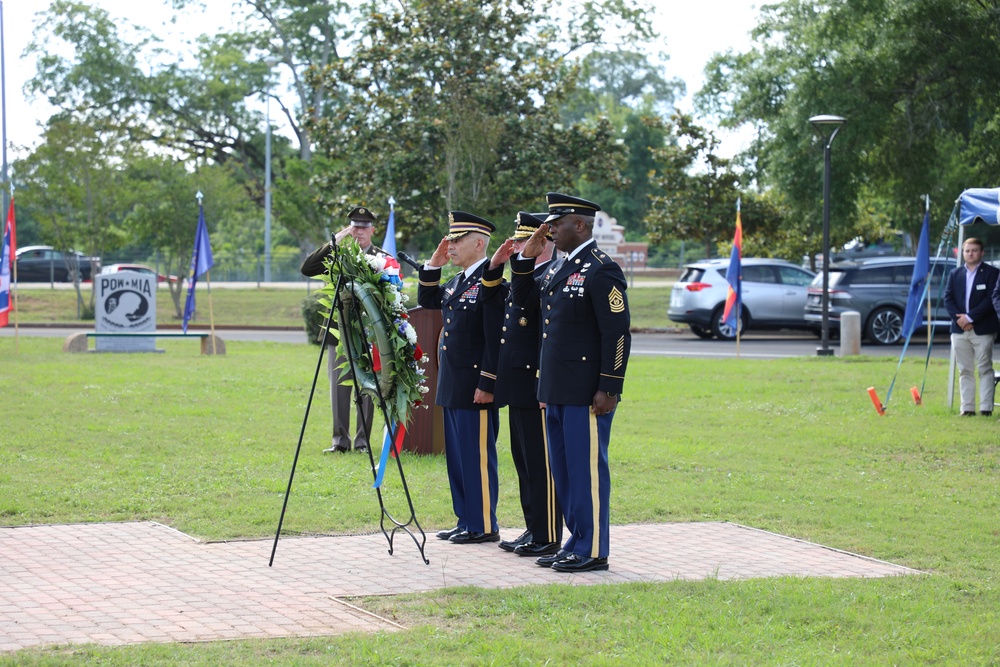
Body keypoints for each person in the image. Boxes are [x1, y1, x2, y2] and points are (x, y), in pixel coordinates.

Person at [509, 192, 631, 573]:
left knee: (586, 471)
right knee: (564, 472)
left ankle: (592, 549)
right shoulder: (558, 268)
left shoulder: (601, 269)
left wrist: (609, 386)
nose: (549, 231)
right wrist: (526, 258)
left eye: (556, 224)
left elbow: (618, 333)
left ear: (579, 225)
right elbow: (522, 301)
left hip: (586, 393)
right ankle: (574, 542)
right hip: (557, 389)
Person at [417, 211, 504, 544]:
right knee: (457, 457)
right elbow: (427, 300)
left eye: (456, 241)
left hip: (475, 386)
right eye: (449, 241)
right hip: (453, 384)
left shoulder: (491, 283)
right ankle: (465, 518)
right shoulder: (457, 282)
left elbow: (495, 336)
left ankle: (483, 524)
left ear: (479, 243)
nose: (450, 246)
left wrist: (488, 381)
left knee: (476, 456)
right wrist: (434, 263)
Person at [481, 212, 563, 557]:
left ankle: (546, 534)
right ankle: (533, 528)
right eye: (516, 242)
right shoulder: (526, 276)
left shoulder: (548, 277)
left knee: (540, 465)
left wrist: (545, 385)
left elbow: (547, 337)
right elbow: (492, 304)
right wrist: (494, 268)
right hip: (518, 383)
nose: (515, 247)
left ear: (542, 243)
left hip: (537, 384)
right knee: (524, 461)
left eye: (522, 242)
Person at [300, 206, 383, 452]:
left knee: (367, 387)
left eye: (364, 227)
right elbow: (307, 268)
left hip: (368, 333)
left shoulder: (382, 258)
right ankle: (340, 441)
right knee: (339, 387)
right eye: (354, 227)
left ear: (373, 230)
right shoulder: (338, 255)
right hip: (340, 332)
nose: (359, 232)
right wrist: (335, 241)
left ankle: (362, 442)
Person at [943, 237, 999, 417]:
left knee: (984, 368)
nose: (970, 253)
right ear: (962, 253)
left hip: (982, 328)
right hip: (959, 330)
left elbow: (992, 299)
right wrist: (960, 319)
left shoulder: (992, 273)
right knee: (965, 370)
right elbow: (948, 299)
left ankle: (985, 408)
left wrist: (970, 317)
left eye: (974, 250)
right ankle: (967, 408)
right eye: (967, 251)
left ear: (981, 253)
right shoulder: (955, 274)